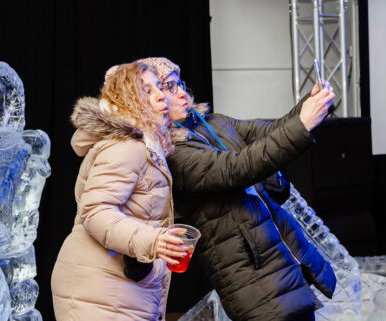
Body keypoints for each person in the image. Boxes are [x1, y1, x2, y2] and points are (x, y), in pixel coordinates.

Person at [138, 57, 337, 321]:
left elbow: (269, 133)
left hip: (277, 252)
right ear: (150, 99)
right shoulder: (173, 155)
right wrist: (303, 124)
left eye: (180, 84)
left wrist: (308, 105)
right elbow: (238, 168)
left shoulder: (214, 122)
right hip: (249, 272)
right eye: (170, 86)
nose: (182, 93)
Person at [51, 62, 188, 321]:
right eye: (146, 91)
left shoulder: (147, 147)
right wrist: (153, 239)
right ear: (127, 101)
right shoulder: (126, 146)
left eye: (158, 87)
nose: (160, 95)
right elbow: (95, 211)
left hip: (117, 286)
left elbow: (142, 203)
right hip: (97, 288)